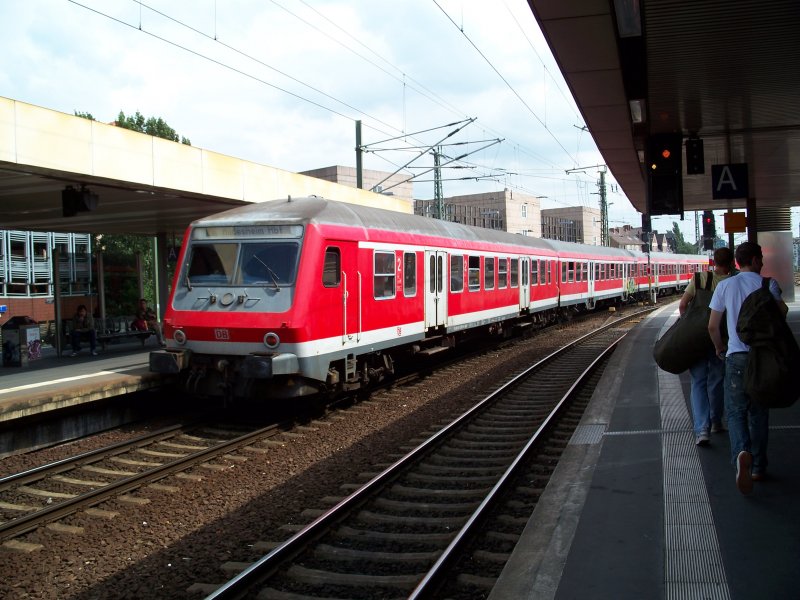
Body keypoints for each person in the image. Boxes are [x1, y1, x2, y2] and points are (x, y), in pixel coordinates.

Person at [708, 241, 788, 495]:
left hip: (737, 357)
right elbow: (782, 315)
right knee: (759, 411)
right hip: (763, 358)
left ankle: (741, 453)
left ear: (736, 263)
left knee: (735, 412)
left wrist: (720, 347)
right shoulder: (768, 284)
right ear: (753, 260)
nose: (762, 262)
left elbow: (712, 326)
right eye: (760, 258)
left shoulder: (725, 286)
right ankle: (758, 466)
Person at [678, 247, 734, 446]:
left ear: (713, 262)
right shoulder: (732, 282)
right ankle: (716, 421)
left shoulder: (700, 278)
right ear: (731, 262)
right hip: (720, 337)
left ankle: (702, 429)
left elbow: (683, 304)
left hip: (697, 338)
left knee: (698, 382)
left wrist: (688, 326)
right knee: (717, 380)